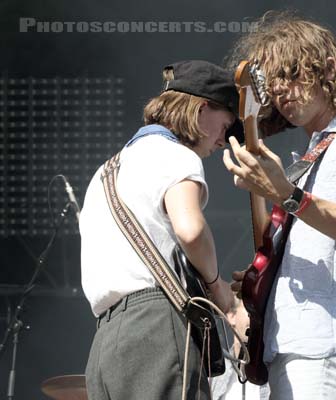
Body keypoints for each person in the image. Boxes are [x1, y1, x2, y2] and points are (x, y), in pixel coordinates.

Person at [223, 11, 336, 400]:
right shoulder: (310, 154)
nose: (282, 90)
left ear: (327, 68)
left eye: (292, 74)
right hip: (295, 345)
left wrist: (288, 196)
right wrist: (264, 281)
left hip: (328, 345)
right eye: (273, 83)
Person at [80, 60, 238, 400]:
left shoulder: (104, 173)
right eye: (225, 126)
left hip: (104, 346)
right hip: (156, 328)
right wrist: (221, 293)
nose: (223, 141)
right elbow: (191, 230)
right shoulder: (176, 155)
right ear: (200, 109)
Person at [210, 295, 270, 400]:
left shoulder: (276, 372)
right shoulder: (214, 374)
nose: (257, 317)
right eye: (250, 308)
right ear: (232, 316)